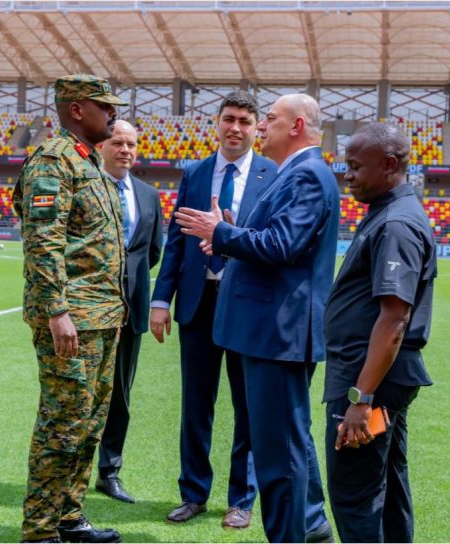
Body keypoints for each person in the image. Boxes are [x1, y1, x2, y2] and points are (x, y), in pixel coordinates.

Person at [175, 93, 338, 543]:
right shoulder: (295, 172)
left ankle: (292, 534)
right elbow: (275, 241)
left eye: (269, 118)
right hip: (270, 329)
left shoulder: (306, 175)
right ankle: (312, 524)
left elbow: (282, 245)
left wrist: (222, 233)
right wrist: (232, 233)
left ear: (297, 125)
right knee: (289, 438)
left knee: (278, 451)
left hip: (277, 332)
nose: (262, 126)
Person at [150, 90, 275, 529]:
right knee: (196, 404)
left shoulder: (273, 174)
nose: (235, 128)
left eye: (244, 121)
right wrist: (161, 300)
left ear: (256, 128)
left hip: (245, 305)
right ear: (217, 123)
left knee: (248, 406)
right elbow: (176, 238)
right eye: (229, 119)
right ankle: (193, 493)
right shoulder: (196, 172)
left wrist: (232, 236)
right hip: (198, 302)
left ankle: (242, 498)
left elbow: (273, 241)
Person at [12, 75, 128, 544]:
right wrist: (57, 310)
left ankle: (69, 517)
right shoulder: (54, 160)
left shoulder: (89, 161)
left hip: (102, 317)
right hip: (72, 319)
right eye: (105, 106)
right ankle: (40, 530)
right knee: (62, 423)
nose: (113, 114)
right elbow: (43, 241)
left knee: (89, 424)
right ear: (77, 109)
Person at [322, 122, 435, 543]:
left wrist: (361, 397)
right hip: (375, 374)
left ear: (389, 165)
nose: (347, 175)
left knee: (356, 493)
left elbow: (393, 319)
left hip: (368, 378)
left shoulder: (396, 224)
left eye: (355, 166)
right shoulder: (387, 213)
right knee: (386, 488)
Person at [94, 120, 163, 503]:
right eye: (117, 142)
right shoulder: (86, 186)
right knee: (82, 394)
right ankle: (69, 471)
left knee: (120, 395)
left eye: (131, 144)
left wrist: (128, 286)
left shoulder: (149, 195)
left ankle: (109, 471)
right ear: (101, 146)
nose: (125, 150)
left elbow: (152, 251)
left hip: (131, 310)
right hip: (89, 309)